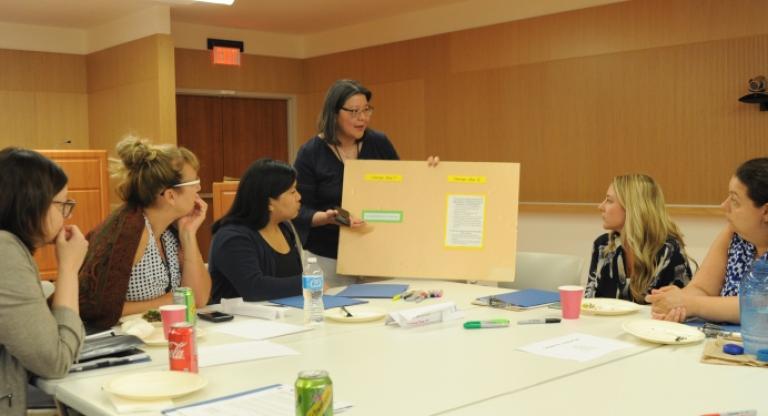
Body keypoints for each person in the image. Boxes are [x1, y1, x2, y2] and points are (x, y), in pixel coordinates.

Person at [294, 79, 438, 286]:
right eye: (354, 112)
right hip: (328, 255)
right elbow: (299, 209)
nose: (362, 118)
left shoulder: (379, 143)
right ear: (334, 113)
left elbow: (402, 189)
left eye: (366, 110)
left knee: (384, 310)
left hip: (377, 251)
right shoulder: (310, 153)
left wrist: (428, 173)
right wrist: (326, 218)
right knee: (334, 313)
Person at [79, 137, 211, 329]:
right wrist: (170, 300)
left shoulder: (170, 231)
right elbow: (97, 310)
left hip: (157, 334)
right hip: (120, 341)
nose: (199, 189)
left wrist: (188, 234)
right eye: (194, 183)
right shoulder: (131, 231)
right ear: (170, 196)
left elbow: (198, 300)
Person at [0, 148, 89, 414]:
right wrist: (69, 268)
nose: (67, 215)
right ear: (31, 203)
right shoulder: (4, 251)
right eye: (62, 204)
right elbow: (55, 360)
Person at [647, 158, 768, 323]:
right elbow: (702, 288)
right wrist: (674, 303)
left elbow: (759, 306)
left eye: (734, 201)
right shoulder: (734, 235)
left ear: (766, 212)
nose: (723, 206)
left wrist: (690, 303)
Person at [208, 159, 306, 303]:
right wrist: (309, 283)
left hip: (283, 316)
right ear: (269, 202)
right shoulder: (232, 237)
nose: (299, 197)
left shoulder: (284, 227)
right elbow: (254, 288)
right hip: (240, 321)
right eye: (292, 192)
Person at [585, 174, 694, 303]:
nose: (601, 207)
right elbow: (590, 303)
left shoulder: (668, 250)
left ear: (632, 207)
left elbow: (681, 309)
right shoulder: (603, 245)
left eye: (609, 201)